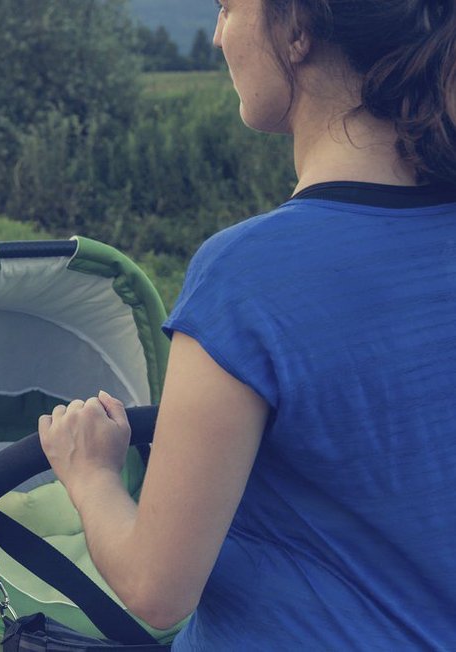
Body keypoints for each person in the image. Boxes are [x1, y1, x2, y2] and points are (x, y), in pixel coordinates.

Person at [38, 0, 456, 648]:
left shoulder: (249, 276)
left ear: (296, 31)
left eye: (229, 7)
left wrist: (90, 473)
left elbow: (157, 587)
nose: (215, 34)